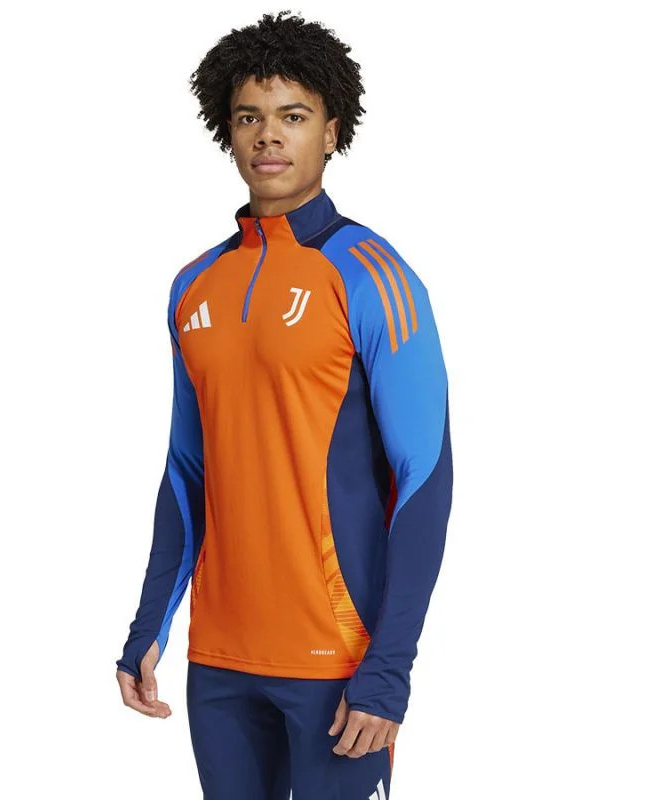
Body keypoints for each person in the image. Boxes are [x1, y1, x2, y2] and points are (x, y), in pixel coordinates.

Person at [115, 10, 453, 799]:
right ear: (228, 133)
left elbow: (427, 477)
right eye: (249, 118)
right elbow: (186, 472)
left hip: (338, 663)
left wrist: (388, 669)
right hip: (220, 664)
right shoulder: (193, 286)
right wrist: (148, 626)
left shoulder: (372, 274)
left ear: (331, 132)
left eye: (293, 117)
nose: (269, 135)